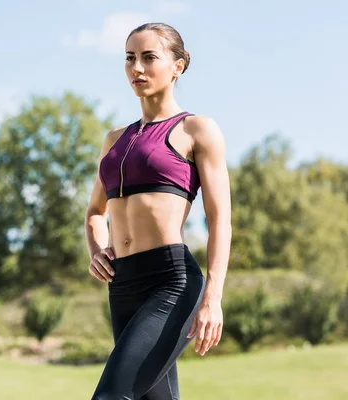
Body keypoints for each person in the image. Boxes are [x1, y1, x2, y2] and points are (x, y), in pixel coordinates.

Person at [84, 22, 232, 400]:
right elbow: (94, 212)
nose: (137, 68)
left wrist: (212, 298)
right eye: (130, 58)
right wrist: (97, 250)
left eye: (149, 58)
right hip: (123, 283)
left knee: (111, 396)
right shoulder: (114, 140)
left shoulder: (197, 130)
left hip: (171, 281)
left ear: (177, 65)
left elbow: (219, 220)